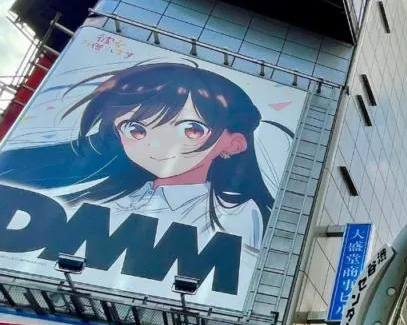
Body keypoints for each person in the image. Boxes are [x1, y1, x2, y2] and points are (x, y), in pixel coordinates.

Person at [0, 61, 292, 252]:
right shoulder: (117, 194)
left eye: (191, 129)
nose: (156, 145)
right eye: (136, 129)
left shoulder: (239, 212)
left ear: (234, 144)